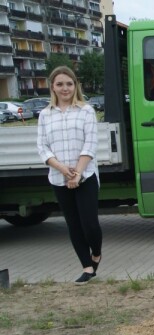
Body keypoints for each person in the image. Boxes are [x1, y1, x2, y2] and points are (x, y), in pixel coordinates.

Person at [37, 66, 102, 284]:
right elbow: (43, 147)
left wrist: (77, 173)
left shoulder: (86, 111)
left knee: (90, 225)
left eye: (69, 84)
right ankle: (87, 267)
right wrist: (63, 170)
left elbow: (90, 144)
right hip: (59, 178)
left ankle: (96, 254)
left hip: (86, 176)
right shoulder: (45, 115)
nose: (65, 88)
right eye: (60, 84)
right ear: (52, 87)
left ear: (75, 86)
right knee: (73, 225)